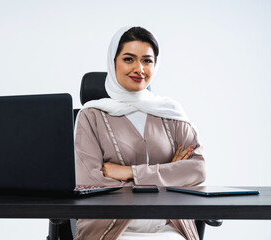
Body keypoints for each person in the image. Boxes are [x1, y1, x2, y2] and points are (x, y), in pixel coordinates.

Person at [73, 26, 206, 240]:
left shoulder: (172, 114)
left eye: (147, 61)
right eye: (129, 59)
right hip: (110, 227)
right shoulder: (91, 116)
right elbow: (90, 182)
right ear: (113, 61)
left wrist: (129, 173)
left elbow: (197, 171)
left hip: (168, 225)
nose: (139, 69)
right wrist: (169, 173)